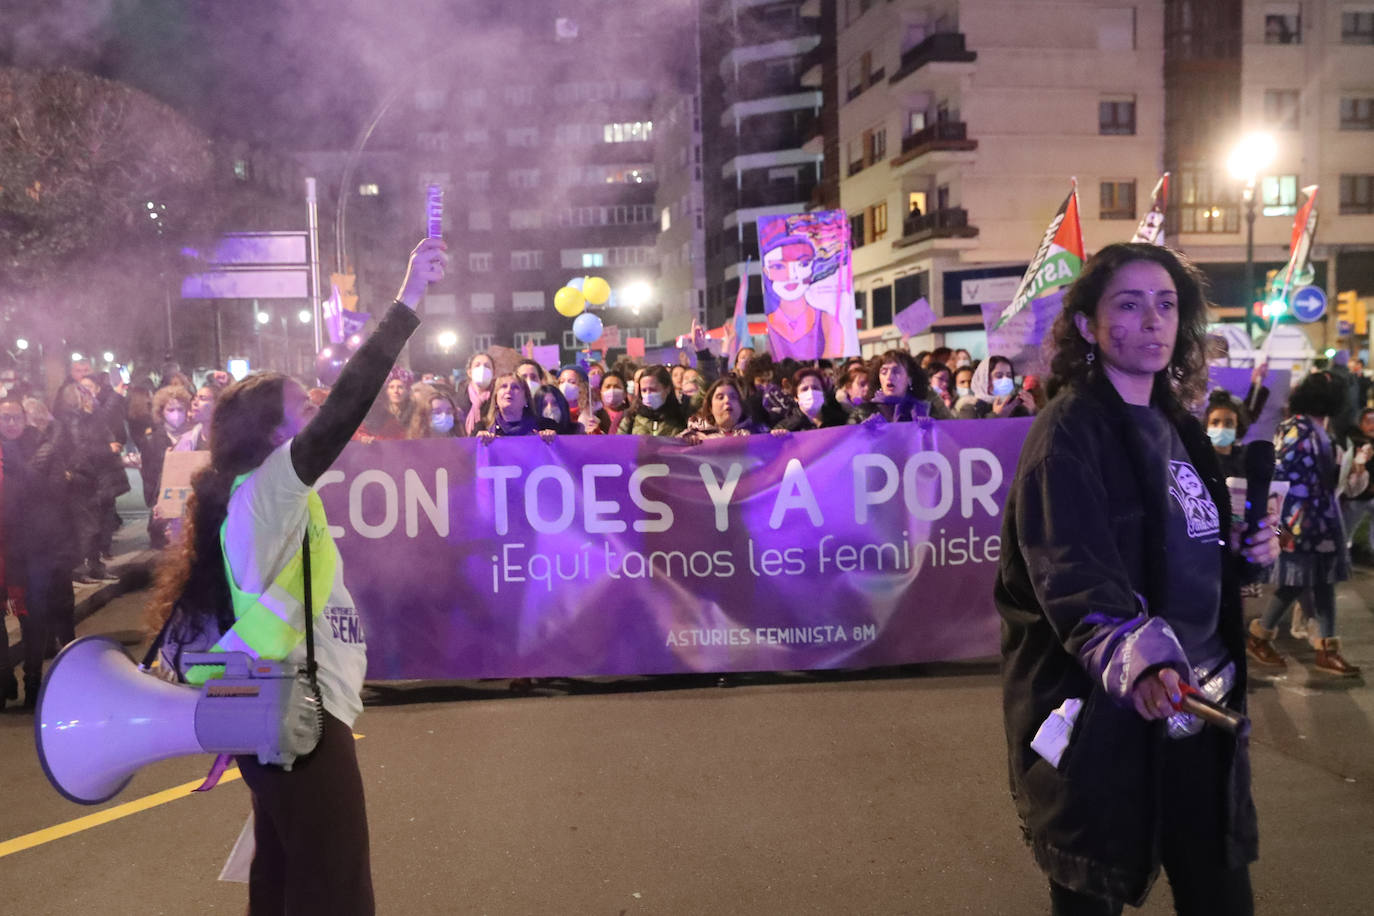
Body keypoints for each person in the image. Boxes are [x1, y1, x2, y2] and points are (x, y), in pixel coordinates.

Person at [147, 237, 445, 914]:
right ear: (271, 432)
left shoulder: (257, 495)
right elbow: (347, 406)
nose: (316, 411)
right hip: (295, 718)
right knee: (334, 890)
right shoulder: (273, 487)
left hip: (276, 712)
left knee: (282, 883)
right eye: (301, 408)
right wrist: (407, 302)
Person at [996, 242, 1273, 914]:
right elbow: (1070, 568)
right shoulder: (1067, 433)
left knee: (1220, 895)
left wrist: (1240, 550)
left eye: (1167, 304)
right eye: (1129, 303)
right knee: (1091, 893)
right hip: (1106, 723)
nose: (1153, 320)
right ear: (1087, 325)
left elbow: (1181, 544)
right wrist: (1139, 661)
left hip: (1200, 713)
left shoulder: (1179, 424)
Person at [1246, 371, 1362, 676]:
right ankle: (1264, 637)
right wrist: (1280, 527)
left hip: (1316, 523)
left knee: (1314, 583)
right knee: (1299, 583)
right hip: (1302, 525)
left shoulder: (1313, 428)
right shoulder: (1299, 430)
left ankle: (1321, 647)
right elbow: (1280, 480)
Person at [848, 349, 950, 423]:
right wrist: (865, 433)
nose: (889, 376)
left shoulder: (927, 410)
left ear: (909, 378)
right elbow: (847, 445)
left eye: (896, 371)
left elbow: (947, 441)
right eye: (884, 372)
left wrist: (929, 431)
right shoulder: (862, 412)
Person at [681, 376, 766, 443]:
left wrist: (778, 435)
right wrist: (686, 441)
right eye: (720, 397)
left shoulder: (760, 433)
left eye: (733, 397)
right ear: (710, 407)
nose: (727, 400)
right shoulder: (693, 434)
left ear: (741, 405)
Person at [476, 373, 557, 442]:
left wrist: (554, 441)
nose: (508, 390)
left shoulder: (545, 426)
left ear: (526, 399)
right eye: (503, 386)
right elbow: (469, 457)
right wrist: (477, 442)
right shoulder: (482, 427)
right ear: (496, 398)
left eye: (515, 387)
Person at [615, 365, 688, 437]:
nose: (648, 394)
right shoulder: (631, 417)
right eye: (644, 390)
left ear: (667, 389)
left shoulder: (681, 417)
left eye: (653, 390)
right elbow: (618, 443)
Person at [957, 355, 1036, 419]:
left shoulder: (1017, 406)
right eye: (999, 375)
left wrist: (1033, 411)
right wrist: (996, 415)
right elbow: (973, 436)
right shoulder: (970, 409)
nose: (1005, 379)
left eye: (1009, 375)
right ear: (985, 380)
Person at [773, 367, 848, 431]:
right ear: (796, 397)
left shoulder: (840, 421)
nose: (811, 392)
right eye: (804, 389)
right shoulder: (785, 428)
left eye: (815, 388)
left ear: (823, 393)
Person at [1204, 389, 1251, 479]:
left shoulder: (1247, 461)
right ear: (1206, 426)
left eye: (1229, 423)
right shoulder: (1198, 459)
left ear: (1237, 427)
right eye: (1215, 422)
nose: (1221, 428)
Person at [355, 368, 413, 442]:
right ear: (387, 391)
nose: (396, 391)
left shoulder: (415, 412)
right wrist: (363, 438)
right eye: (391, 387)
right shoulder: (376, 411)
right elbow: (359, 432)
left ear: (407, 390)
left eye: (400, 387)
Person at [453, 352, 495, 436]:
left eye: (487, 366)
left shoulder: (498, 398)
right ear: (469, 372)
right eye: (477, 365)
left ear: (493, 372)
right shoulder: (457, 399)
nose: (482, 369)